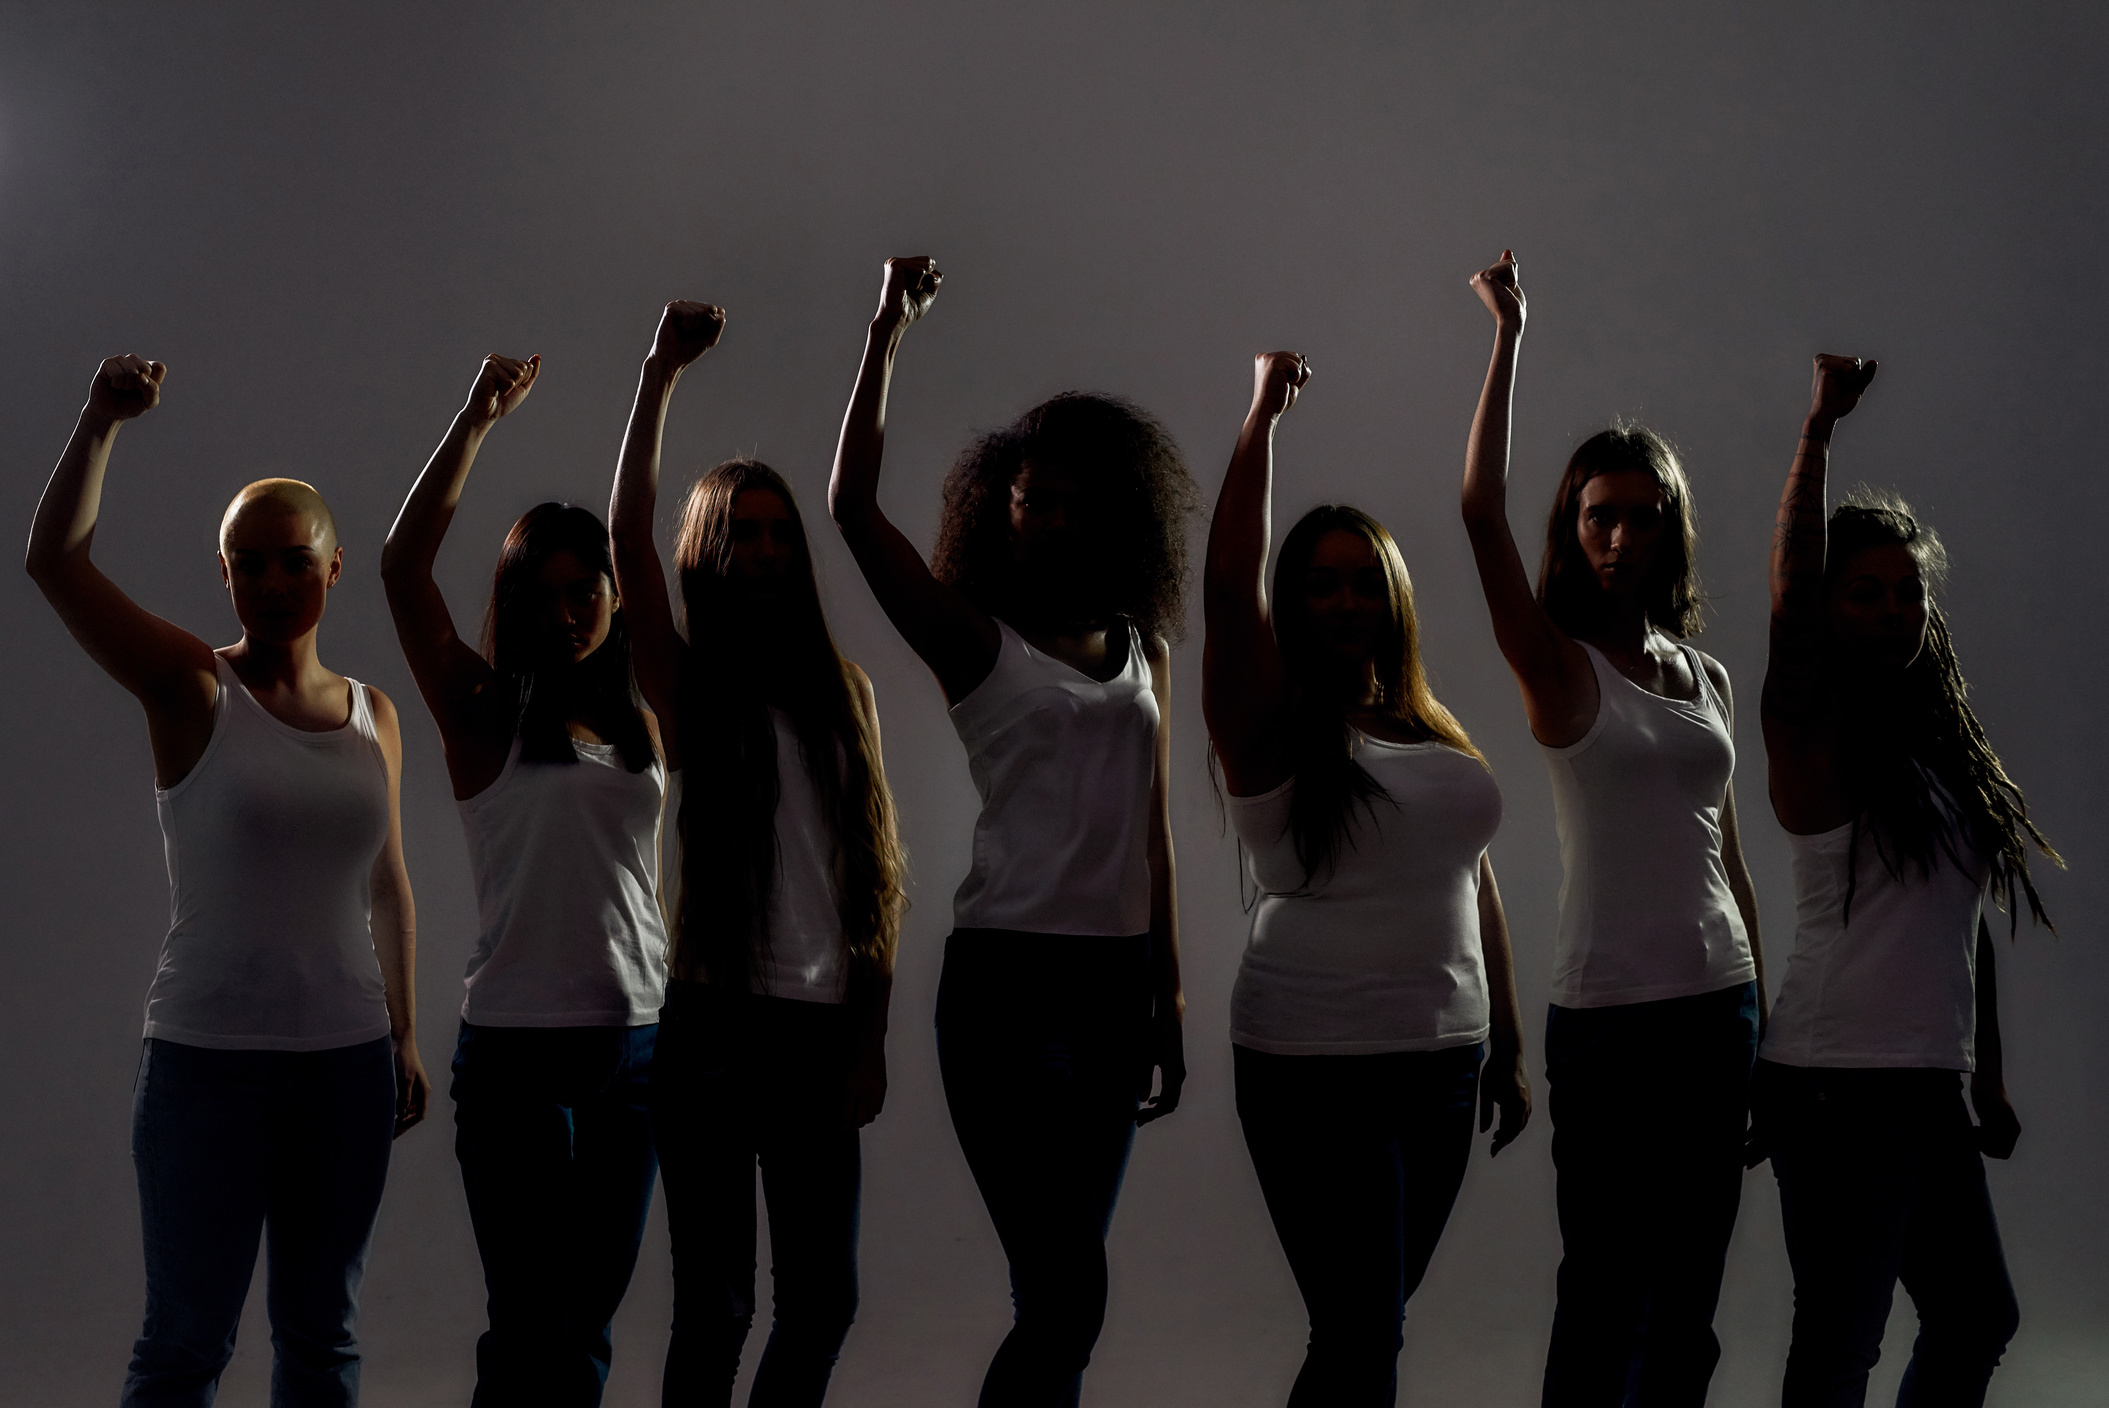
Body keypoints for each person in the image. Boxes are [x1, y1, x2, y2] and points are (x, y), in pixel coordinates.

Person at [827, 256, 1194, 1408]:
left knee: (1062, 1306)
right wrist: (887, 328)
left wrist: (1167, 999)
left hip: (1114, 987)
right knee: (1066, 1290)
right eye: (1032, 500)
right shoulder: (976, 641)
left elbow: (1153, 831)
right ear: (1003, 506)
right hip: (1007, 991)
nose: (1050, 520)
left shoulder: (1146, 649)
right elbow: (849, 509)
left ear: (1112, 515)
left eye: (1075, 503)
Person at [26, 355, 427, 1408]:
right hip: (206, 1066)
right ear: (225, 575)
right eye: (247, 566)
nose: (271, 583)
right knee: (183, 1345)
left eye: (293, 562)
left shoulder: (374, 716)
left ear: (334, 568)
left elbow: (388, 883)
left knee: (322, 1340)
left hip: (345, 1067)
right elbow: (54, 562)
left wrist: (405, 1033)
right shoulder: (190, 687)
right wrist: (100, 421)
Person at [1458, 253, 1765, 1406]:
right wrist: (1509, 334)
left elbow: (1724, 855)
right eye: (1600, 516)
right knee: (1605, 1295)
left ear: (1672, 528)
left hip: (1719, 1007)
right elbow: (1479, 510)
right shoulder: (1559, 667)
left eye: (1644, 516)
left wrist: (1762, 1018)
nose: (1622, 536)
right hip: (1610, 1023)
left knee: (1686, 1312)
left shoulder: (1706, 674)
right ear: (1574, 526)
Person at [1203, 349, 1531, 1407]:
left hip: (1443, 1061)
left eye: (1364, 582)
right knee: (1365, 1331)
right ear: (1294, 603)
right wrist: (1261, 420)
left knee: (1363, 1329)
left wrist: (1511, 1041)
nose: (1345, 601)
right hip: (1314, 1064)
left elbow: (1473, 879)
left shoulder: (1424, 724)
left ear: (1392, 599)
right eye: (1321, 582)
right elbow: (1224, 585)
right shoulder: (1268, 726)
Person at [607, 299, 907, 1407]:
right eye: (747, 532)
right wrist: (659, 373)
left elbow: (875, 879)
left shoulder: (848, 697)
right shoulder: (689, 686)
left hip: (821, 1032)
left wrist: (868, 1038)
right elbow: (627, 534)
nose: (769, 551)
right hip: (714, 1031)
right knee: (718, 1304)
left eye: (783, 533)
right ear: (713, 550)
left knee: (822, 1300)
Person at [1753, 354, 2057, 1407]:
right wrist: (1819, 431)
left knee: (1977, 1314)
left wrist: (1985, 1073)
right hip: (1838, 1082)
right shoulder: (1816, 734)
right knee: (1841, 1342)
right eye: (1865, 594)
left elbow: (1957, 917)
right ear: (1833, 609)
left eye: (1905, 594)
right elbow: (1789, 604)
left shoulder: (1931, 752)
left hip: (1924, 1082)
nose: (1889, 611)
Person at [381, 353, 668, 1407]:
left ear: (613, 591)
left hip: (639, 1051)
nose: (567, 607)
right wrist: (474, 418)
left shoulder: (646, 716)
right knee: (528, 1327)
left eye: (584, 584)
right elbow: (402, 569)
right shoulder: (483, 710)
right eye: (541, 591)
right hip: (516, 1059)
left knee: (584, 1330)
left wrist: (659, 374)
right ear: (516, 599)